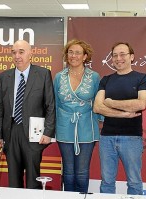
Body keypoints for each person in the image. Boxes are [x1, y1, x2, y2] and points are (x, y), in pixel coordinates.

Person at [0, 40, 55, 189]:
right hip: (11, 131)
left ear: (30, 54)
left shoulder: (43, 74)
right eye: (14, 52)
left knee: (34, 177)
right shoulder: (3, 77)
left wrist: (48, 132)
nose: (17, 56)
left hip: (34, 133)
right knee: (13, 177)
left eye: (21, 52)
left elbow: (50, 105)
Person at [93, 42, 146, 195]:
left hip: (131, 138)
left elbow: (140, 104)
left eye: (122, 54)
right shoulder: (106, 80)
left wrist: (111, 103)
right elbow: (98, 107)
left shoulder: (142, 78)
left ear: (131, 57)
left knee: (134, 181)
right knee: (106, 181)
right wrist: (124, 113)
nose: (118, 58)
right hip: (107, 138)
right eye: (114, 55)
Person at [54, 39, 100, 193]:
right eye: (71, 52)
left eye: (78, 53)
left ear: (85, 56)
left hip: (87, 127)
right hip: (64, 126)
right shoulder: (59, 77)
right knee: (68, 171)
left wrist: (100, 121)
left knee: (81, 172)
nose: (73, 56)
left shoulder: (94, 77)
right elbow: (54, 103)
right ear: (66, 55)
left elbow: (99, 102)